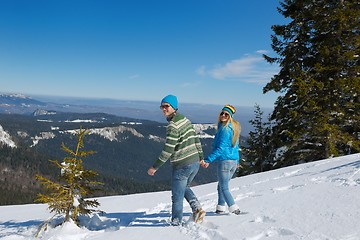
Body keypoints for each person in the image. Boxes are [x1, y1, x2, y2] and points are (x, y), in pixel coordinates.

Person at [147, 94, 206, 226]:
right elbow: (196, 139)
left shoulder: (173, 126)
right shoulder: (185, 120)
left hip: (182, 165)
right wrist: (201, 158)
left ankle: (176, 222)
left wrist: (154, 167)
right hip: (194, 162)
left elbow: (168, 150)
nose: (163, 109)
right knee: (184, 187)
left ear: (174, 107)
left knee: (177, 197)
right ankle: (197, 209)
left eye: (166, 106)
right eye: (162, 106)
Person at [200, 104, 242, 215]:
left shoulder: (225, 130)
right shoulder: (234, 128)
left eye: (226, 114)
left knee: (224, 188)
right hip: (232, 162)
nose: (223, 115)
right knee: (221, 186)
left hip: (225, 162)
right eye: (222, 113)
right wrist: (237, 161)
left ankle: (234, 209)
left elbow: (220, 149)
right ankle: (220, 208)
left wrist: (208, 160)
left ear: (230, 116)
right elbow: (236, 147)